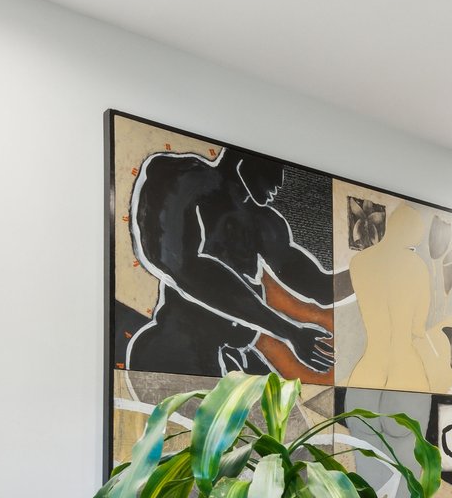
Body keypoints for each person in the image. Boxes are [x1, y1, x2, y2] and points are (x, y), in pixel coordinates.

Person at [123, 147, 337, 378]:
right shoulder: (186, 178)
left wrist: (367, 273)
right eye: (275, 167)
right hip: (180, 351)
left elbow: (321, 287)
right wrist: (289, 331)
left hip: (233, 356)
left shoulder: (263, 222)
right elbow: (183, 267)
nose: (280, 181)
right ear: (243, 158)